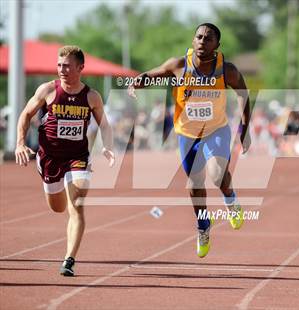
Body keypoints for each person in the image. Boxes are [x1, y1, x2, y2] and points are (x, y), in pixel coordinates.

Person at [129, 23, 251, 258]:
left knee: (217, 176)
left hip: (216, 130)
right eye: (199, 37)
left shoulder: (227, 70)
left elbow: (243, 94)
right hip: (187, 133)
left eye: (208, 39)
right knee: (194, 185)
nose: (202, 42)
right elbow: (152, 75)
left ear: (217, 45)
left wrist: (245, 128)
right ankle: (204, 226)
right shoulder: (178, 65)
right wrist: (137, 81)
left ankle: (230, 198)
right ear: (193, 40)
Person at [15, 46, 115, 276]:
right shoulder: (48, 90)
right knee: (58, 207)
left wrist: (108, 146)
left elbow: (105, 125)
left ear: (80, 68)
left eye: (67, 65)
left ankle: (69, 260)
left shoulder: (91, 96)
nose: (62, 69)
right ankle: (55, 190)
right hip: (50, 157)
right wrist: (20, 142)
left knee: (77, 205)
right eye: (59, 65)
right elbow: (26, 114)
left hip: (77, 157)